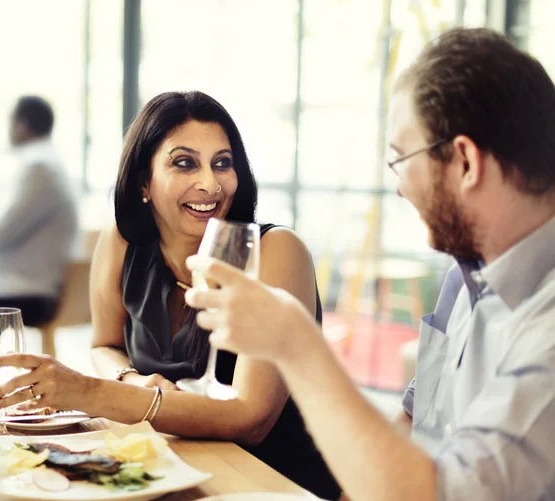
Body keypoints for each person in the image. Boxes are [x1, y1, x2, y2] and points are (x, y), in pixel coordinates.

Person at [178, 28, 555, 501]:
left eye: (402, 159)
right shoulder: (466, 277)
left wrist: (296, 344)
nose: (398, 187)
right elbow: (418, 426)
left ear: (464, 161)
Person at [0, 91, 341, 500]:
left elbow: (250, 418)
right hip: (174, 465)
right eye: (184, 162)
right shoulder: (122, 241)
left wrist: (91, 392)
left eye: (222, 163)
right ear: (143, 182)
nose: (210, 183)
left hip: (273, 480)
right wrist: (131, 379)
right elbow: (105, 345)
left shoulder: (279, 251)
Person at [0, 96, 78, 365]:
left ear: (22, 126)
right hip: (19, 280)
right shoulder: (45, 162)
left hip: (26, 291)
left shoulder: (39, 168)